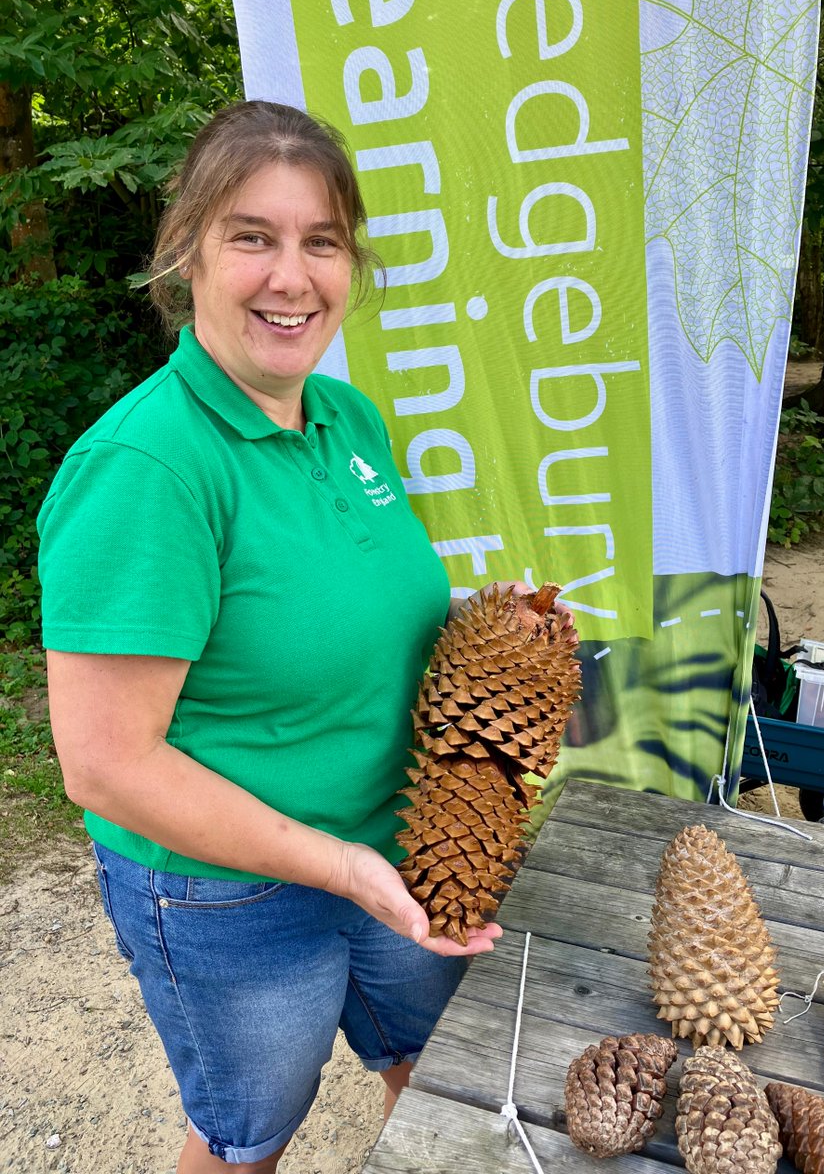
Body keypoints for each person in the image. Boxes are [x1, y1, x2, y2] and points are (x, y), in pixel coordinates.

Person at [37, 100, 535, 1173]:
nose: (291, 276)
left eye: (321, 242)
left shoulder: (346, 418)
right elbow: (107, 765)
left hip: (401, 846)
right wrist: (344, 871)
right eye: (251, 237)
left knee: (441, 1072)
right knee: (248, 1135)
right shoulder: (150, 469)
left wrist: (499, 637)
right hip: (230, 897)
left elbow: (347, 610)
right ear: (188, 253)